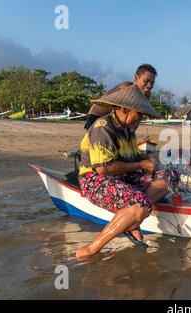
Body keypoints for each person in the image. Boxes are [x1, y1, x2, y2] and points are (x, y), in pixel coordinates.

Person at [76, 84, 180, 259]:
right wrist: (142, 166)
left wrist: (151, 158)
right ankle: (92, 248)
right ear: (124, 109)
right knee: (141, 206)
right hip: (94, 179)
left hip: (122, 176)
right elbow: (103, 168)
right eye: (138, 115)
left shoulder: (128, 129)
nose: (139, 120)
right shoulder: (103, 128)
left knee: (171, 175)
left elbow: (131, 157)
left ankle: (131, 219)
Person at [84, 63, 157, 131]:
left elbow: (138, 116)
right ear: (136, 77)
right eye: (146, 81)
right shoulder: (126, 89)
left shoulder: (147, 94)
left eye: (152, 83)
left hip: (114, 120)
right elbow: (120, 116)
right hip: (96, 116)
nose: (149, 85)